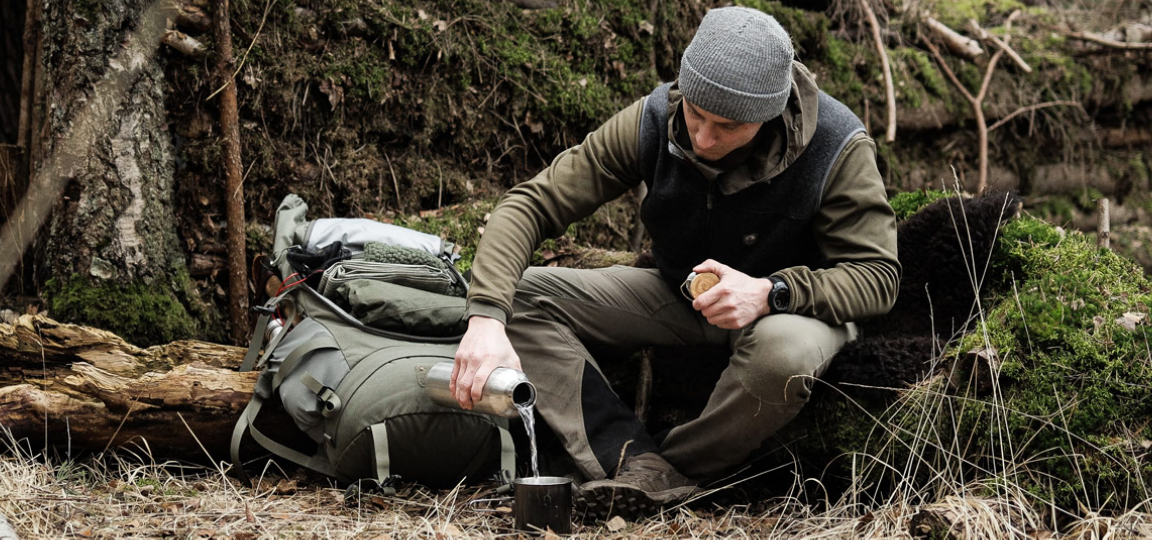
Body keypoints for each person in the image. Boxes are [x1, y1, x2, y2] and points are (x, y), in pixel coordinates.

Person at [449, 6, 900, 518]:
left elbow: (876, 276)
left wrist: (770, 292)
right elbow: (532, 204)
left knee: (782, 357)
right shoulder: (654, 118)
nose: (704, 139)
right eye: (696, 114)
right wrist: (486, 319)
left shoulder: (837, 146)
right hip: (678, 295)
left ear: (770, 115)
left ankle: (675, 470)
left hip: (791, 312)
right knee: (522, 293)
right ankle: (628, 458)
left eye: (728, 126)